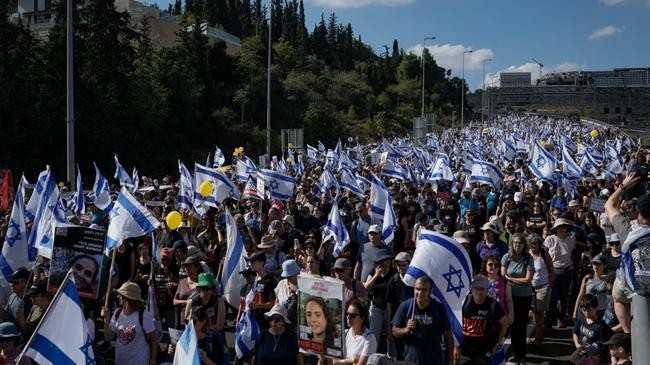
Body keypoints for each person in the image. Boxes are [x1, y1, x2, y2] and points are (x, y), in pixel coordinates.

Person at [392, 276, 453, 365]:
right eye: (417, 289)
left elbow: (448, 334)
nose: (420, 293)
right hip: (411, 360)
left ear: (430, 291)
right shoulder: (406, 306)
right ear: (413, 289)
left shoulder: (438, 308)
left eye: (424, 290)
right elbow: (394, 331)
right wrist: (406, 329)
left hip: (435, 360)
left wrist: (450, 359)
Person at [455, 275, 509, 365]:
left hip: (484, 351)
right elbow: (454, 322)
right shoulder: (463, 302)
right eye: (476, 288)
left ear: (487, 290)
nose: (479, 292)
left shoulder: (493, 305)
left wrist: (497, 344)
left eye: (482, 289)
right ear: (472, 290)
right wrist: (455, 345)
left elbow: (505, 323)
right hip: (464, 350)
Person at [101, 282, 159, 365]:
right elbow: (108, 337)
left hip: (139, 361)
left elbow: (154, 340)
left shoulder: (144, 315)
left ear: (127, 299)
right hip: (120, 361)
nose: (118, 297)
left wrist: (153, 360)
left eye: (120, 295)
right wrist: (106, 319)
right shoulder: (117, 313)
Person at [501, 233, 534, 362]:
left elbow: (527, 279)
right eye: (515, 243)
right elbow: (503, 276)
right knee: (511, 324)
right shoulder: (506, 257)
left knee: (521, 325)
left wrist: (511, 279)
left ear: (524, 245)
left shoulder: (528, 258)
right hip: (509, 297)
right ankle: (515, 352)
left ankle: (521, 353)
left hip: (523, 297)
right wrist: (513, 280)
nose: (517, 245)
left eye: (519, 243)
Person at [544, 217, 577, 328]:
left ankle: (561, 319)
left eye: (563, 226)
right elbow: (545, 255)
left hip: (567, 270)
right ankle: (550, 320)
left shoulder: (572, 239)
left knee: (564, 297)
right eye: (559, 227)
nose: (561, 229)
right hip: (554, 270)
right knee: (553, 297)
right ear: (556, 228)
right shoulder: (550, 239)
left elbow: (573, 252)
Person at [385, 252, 413, 360]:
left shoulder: (415, 281)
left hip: (412, 322)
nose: (401, 268)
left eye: (404, 265)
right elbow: (388, 306)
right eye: (398, 265)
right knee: (400, 354)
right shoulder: (393, 281)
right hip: (398, 323)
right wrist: (389, 328)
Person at [528, 233, 554, 344]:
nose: (534, 246)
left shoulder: (544, 254)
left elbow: (552, 270)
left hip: (543, 287)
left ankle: (538, 336)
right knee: (534, 311)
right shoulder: (526, 255)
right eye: (532, 243)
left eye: (536, 243)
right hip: (530, 287)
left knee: (539, 312)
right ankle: (539, 332)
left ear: (539, 244)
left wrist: (549, 285)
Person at [571, 294, 613, 363]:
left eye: (589, 310)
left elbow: (603, 345)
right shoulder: (581, 319)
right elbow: (575, 332)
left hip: (593, 356)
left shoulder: (601, 326)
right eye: (584, 310)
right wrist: (577, 344)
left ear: (596, 308)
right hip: (581, 351)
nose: (587, 313)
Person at [336, 299, 377, 365]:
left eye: (352, 315)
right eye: (347, 314)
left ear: (362, 318)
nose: (348, 317)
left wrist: (340, 362)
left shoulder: (369, 338)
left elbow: (361, 364)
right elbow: (333, 360)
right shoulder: (344, 333)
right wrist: (353, 360)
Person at [573, 254, 608, 321]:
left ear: (604, 266)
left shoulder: (607, 279)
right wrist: (575, 312)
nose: (596, 266)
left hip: (599, 311)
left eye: (598, 264)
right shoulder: (587, 278)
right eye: (594, 264)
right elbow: (580, 295)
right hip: (586, 309)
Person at [480, 255, 513, 324]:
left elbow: (509, 300)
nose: (493, 267)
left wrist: (511, 314)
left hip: (501, 316)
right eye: (490, 264)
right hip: (482, 316)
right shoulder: (480, 280)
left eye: (496, 265)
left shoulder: (505, 282)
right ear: (485, 266)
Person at [250, 251, 277, 331]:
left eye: (253, 262)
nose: (251, 264)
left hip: (265, 322)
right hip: (255, 319)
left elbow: (272, 304)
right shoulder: (256, 280)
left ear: (261, 263)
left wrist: (257, 306)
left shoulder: (270, 281)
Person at [275, 260, 299, 325]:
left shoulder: (303, 287)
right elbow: (276, 302)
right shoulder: (281, 283)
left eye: (290, 276)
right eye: (287, 276)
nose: (288, 278)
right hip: (280, 322)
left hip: (295, 324)